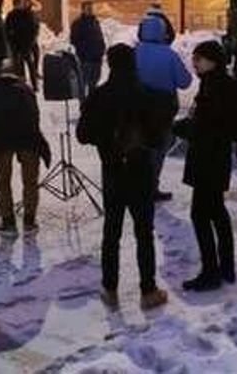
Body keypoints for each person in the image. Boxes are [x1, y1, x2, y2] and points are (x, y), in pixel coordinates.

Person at [76, 44, 169, 310]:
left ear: (110, 64)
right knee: (144, 232)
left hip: (112, 169)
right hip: (141, 170)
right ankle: (148, 290)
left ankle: (110, 289)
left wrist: (105, 137)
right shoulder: (146, 95)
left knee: (111, 232)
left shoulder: (99, 95)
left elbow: (83, 135)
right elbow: (158, 137)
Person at [173, 40, 237, 292]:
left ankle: (211, 272)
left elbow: (205, 127)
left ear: (212, 61)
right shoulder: (221, 83)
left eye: (199, 59)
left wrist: (179, 127)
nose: (194, 63)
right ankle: (226, 266)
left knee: (200, 215)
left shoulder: (214, 87)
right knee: (217, 211)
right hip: (216, 157)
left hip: (208, 159)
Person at [0, 68, 49, 235]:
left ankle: (8, 222)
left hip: (1, 140)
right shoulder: (26, 90)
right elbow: (35, 116)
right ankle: (30, 221)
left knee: (3, 181)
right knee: (30, 181)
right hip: (27, 138)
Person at [135, 13, 193, 202]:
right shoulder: (169, 55)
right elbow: (185, 82)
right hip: (164, 110)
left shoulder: (134, 52)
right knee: (158, 150)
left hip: (139, 109)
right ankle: (152, 187)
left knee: (140, 148)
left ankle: (139, 186)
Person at [70, 1, 106, 97]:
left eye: (91, 8)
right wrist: (82, 52)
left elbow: (100, 37)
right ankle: (83, 103)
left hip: (96, 58)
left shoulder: (95, 22)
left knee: (93, 84)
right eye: (88, 8)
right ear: (83, 10)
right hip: (85, 59)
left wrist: (102, 49)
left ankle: (92, 102)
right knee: (83, 84)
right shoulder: (77, 23)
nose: (90, 10)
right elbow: (74, 40)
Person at [5, 0, 40, 90]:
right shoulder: (11, 15)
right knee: (20, 66)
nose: (18, 6)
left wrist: (31, 42)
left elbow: (33, 29)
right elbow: (7, 30)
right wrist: (11, 42)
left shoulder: (27, 14)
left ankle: (34, 84)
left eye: (19, 4)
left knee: (29, 65)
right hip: (17, 45)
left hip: (26, 44)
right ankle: (23, 85)